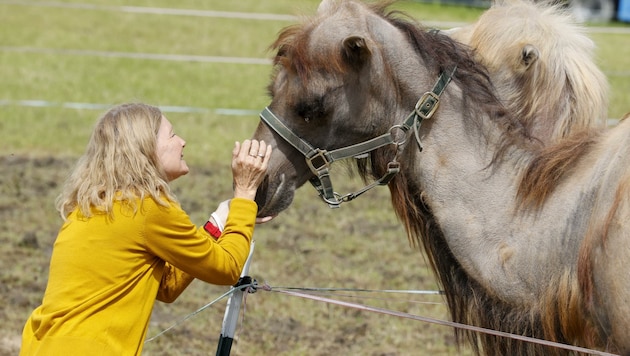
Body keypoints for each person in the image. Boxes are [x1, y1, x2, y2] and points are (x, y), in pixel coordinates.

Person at [20, 103, 272, 355]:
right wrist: (245, 192)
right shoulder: (146, 208)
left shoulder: (96, 206)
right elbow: (227, 268)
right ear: (146, 149)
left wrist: (221, 219)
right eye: (172, 135)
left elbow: (167, 286)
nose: (182, 142)